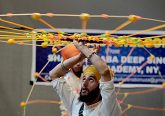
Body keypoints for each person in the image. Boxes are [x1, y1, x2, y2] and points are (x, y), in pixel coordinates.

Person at [49, 40, 122, 116]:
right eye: (83, 79)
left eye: (91, 79)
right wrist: (80, 57)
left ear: (101, 85)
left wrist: (83, 49)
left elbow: (105, 71)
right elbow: (54, 74)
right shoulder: (75, 103)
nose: (84, 84)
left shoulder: (108, 107)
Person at [59, 44, 84, 116]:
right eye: (74, 60)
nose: (78, 63)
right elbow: (65, 105)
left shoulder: (87, 77)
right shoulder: (65, 80)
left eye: (80, 59)